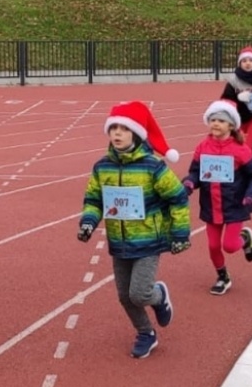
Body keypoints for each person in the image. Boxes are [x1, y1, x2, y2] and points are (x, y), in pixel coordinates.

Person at [78, 101, 190, 359]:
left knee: (139, 293)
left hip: (148, 240)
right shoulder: (102, 167)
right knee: (125, 297)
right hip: (119, 242)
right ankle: (146, 333)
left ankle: (159, 296)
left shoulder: (153, 166)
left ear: (137, 134)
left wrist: (180, 233)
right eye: (113, 128)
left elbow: (178, 197)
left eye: (124, 129)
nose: (117, 133)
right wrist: (88, 222)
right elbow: (94, 200)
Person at [183, 100, 252, 296]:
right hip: (211, 205)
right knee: (213, 246)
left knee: (229, 246)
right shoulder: (202, 147)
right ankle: (222, 277)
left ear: (231, 125)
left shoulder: (240, 149)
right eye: (213, 120)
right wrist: (190, 183)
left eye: (221, 120)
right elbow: (195, 172)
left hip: (234, 205)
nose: (216, 124)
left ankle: (244, 239)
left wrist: (251, 196)